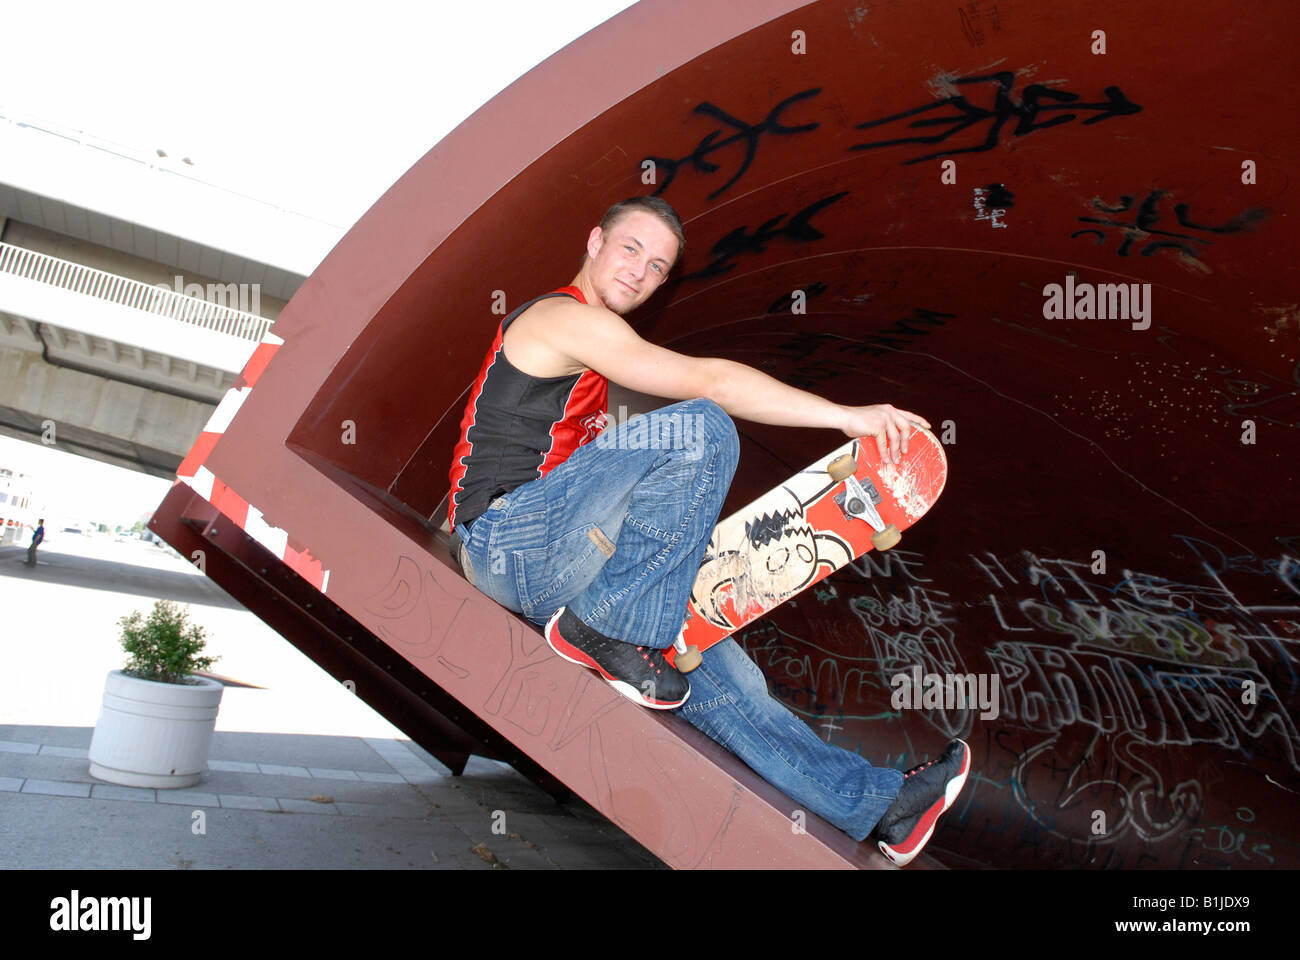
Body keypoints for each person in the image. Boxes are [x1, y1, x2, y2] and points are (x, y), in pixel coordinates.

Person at [447, 196, 969, 865]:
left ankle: (883, 807)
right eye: (631, 248)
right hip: (506, 538)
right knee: (700, 426)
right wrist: (846, 417)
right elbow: (711, 383)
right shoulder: (562, 319)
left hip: (565, 562)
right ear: (595, 239)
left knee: (717, 668)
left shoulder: (596, 349)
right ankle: (606, 631)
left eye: (658, 266)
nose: (639, 271)